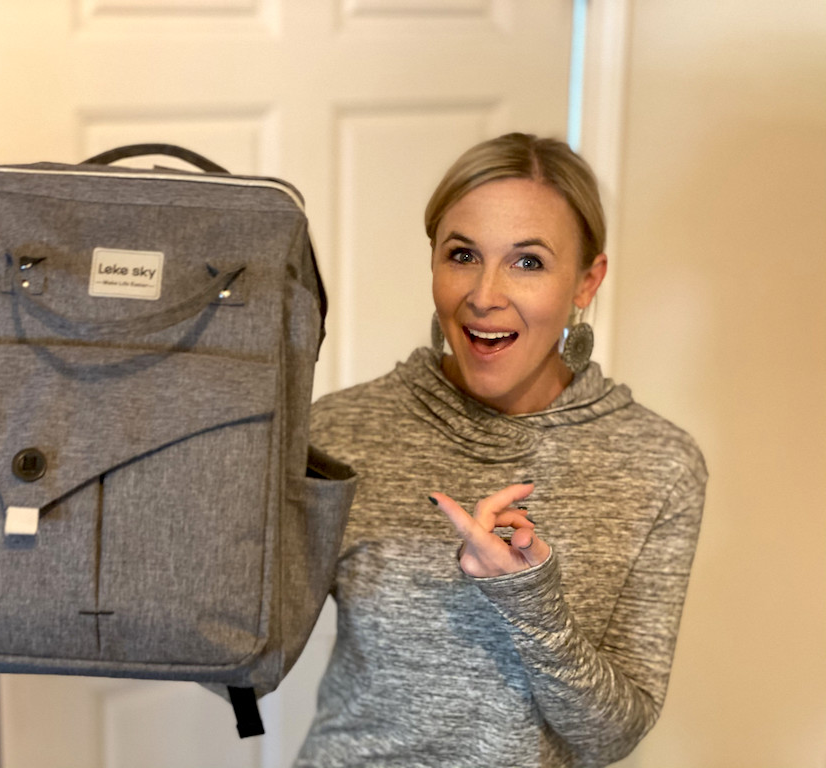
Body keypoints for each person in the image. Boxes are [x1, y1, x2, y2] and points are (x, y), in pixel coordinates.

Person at [293, 133, 707, 767]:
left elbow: (611, 737)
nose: (484, 295)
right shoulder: (340, 431)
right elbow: (238, 646)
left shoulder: (659, 463)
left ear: (586, 281)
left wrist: (529, 599)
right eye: (462, 255)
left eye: (528, 262)